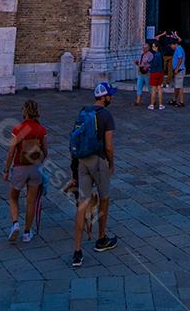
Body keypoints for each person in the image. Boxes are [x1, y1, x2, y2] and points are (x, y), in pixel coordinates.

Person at [72, 82, 118, 267]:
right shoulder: (106, 115)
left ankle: (77, 251)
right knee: (104, 198)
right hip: (99, 162)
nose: (112, 98)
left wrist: (73, 168)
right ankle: (101, 239)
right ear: (105, 97)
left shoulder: (83, 113)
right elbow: (108, 145)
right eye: (110, 95)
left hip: (82, 161)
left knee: (82, 204)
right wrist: (111, 163)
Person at [3, 99, 48, 243]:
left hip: (19, 168)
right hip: (35, 168)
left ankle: (15, 223)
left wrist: (6, 170)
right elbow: (45, 151)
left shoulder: (17, 129)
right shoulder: (41, 130)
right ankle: (27, 233)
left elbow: (11, 152)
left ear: (24, 112)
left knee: (13, 197)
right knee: (31, 201)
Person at [147, 40, 165, 111]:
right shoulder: (160, 54)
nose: (152, 48)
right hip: (160, 72)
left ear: (157, 47)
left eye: (154, 46)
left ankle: (152, 104)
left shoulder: (156, 55)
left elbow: (154, 64)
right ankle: (160, 105)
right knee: (159, 88)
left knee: (154, 89)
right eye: (152, 47)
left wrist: (149, 65)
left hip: (154, 73)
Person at [134, 42, 153, 106]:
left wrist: (146, 66)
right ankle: (138, 101)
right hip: (140, 72)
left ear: (149, 48)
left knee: (149, 87)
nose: (144, 49)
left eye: (145, 47)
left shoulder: (150, 55)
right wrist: (136, 63)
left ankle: (153, 100)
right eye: (143, 47)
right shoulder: (141, 54)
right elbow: (140, 64)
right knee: (139, 86)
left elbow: (151, 64)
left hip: (147, 73)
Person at [168, 39, 186, 107]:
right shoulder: (179, 48)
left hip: (179, 70)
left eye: (171, 45)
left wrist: (177, 68)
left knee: (180, 86)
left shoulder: (178, 49)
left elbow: (180, 59)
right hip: (178, 70)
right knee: (177, 86)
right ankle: (174, 100)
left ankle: (181, 102)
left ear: (174, 44)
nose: (171, 47)